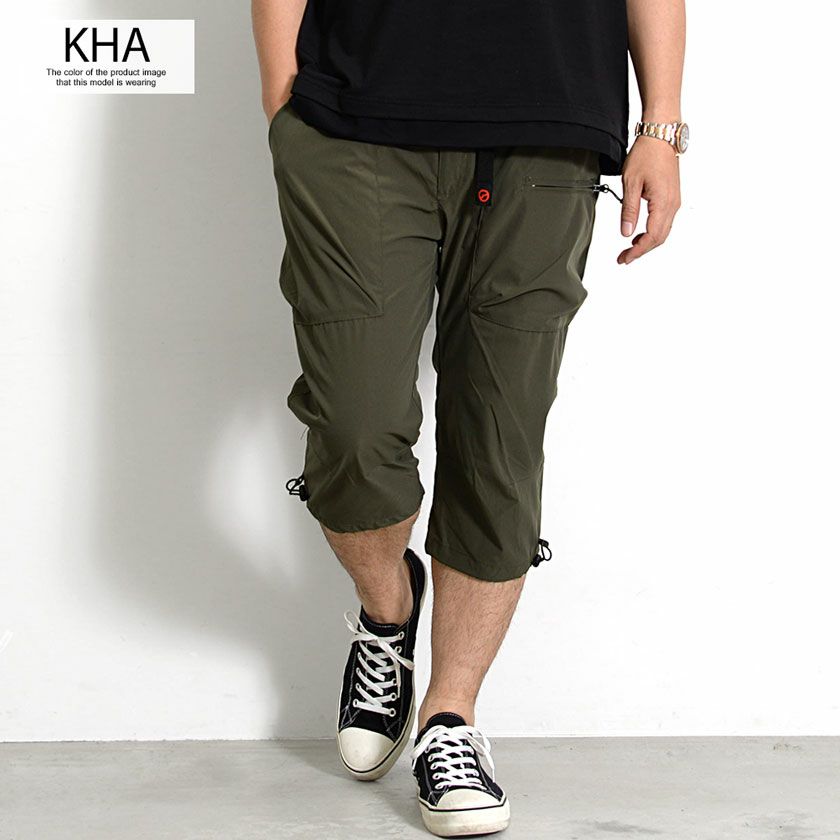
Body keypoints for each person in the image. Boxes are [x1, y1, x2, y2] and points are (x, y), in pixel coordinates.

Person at [253, 1, 686, 835]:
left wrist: (660, 127)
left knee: (500, 438)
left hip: (548, 123)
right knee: (352, 425)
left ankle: (449, 718)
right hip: (354, 115)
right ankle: (388, 609)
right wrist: (282, 104)